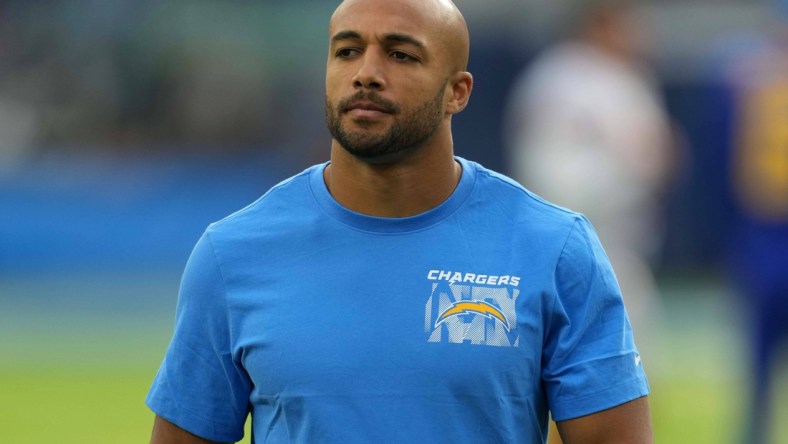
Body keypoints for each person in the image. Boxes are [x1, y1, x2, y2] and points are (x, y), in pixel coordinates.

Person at [147, 0, 653, 442]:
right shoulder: (233, 253)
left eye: (401, 54)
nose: (366, 72)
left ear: (458, 91)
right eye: (347, 51)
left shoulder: (555, 247)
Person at [504, 0, 675, 362]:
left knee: (538, 331)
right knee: (627, 333)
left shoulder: (545, 73)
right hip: (605, 228)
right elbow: (653, 156)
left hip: (542, 224)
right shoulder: (618, 79)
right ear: (601, 26)